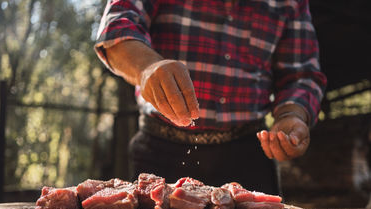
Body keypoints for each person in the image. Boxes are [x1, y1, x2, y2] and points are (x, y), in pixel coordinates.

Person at [94, 0, 327, 195]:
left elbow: (302, 74)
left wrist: (291, 114)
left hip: (248, 156)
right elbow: (117, 26)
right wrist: (145, 67)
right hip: (160, 152)